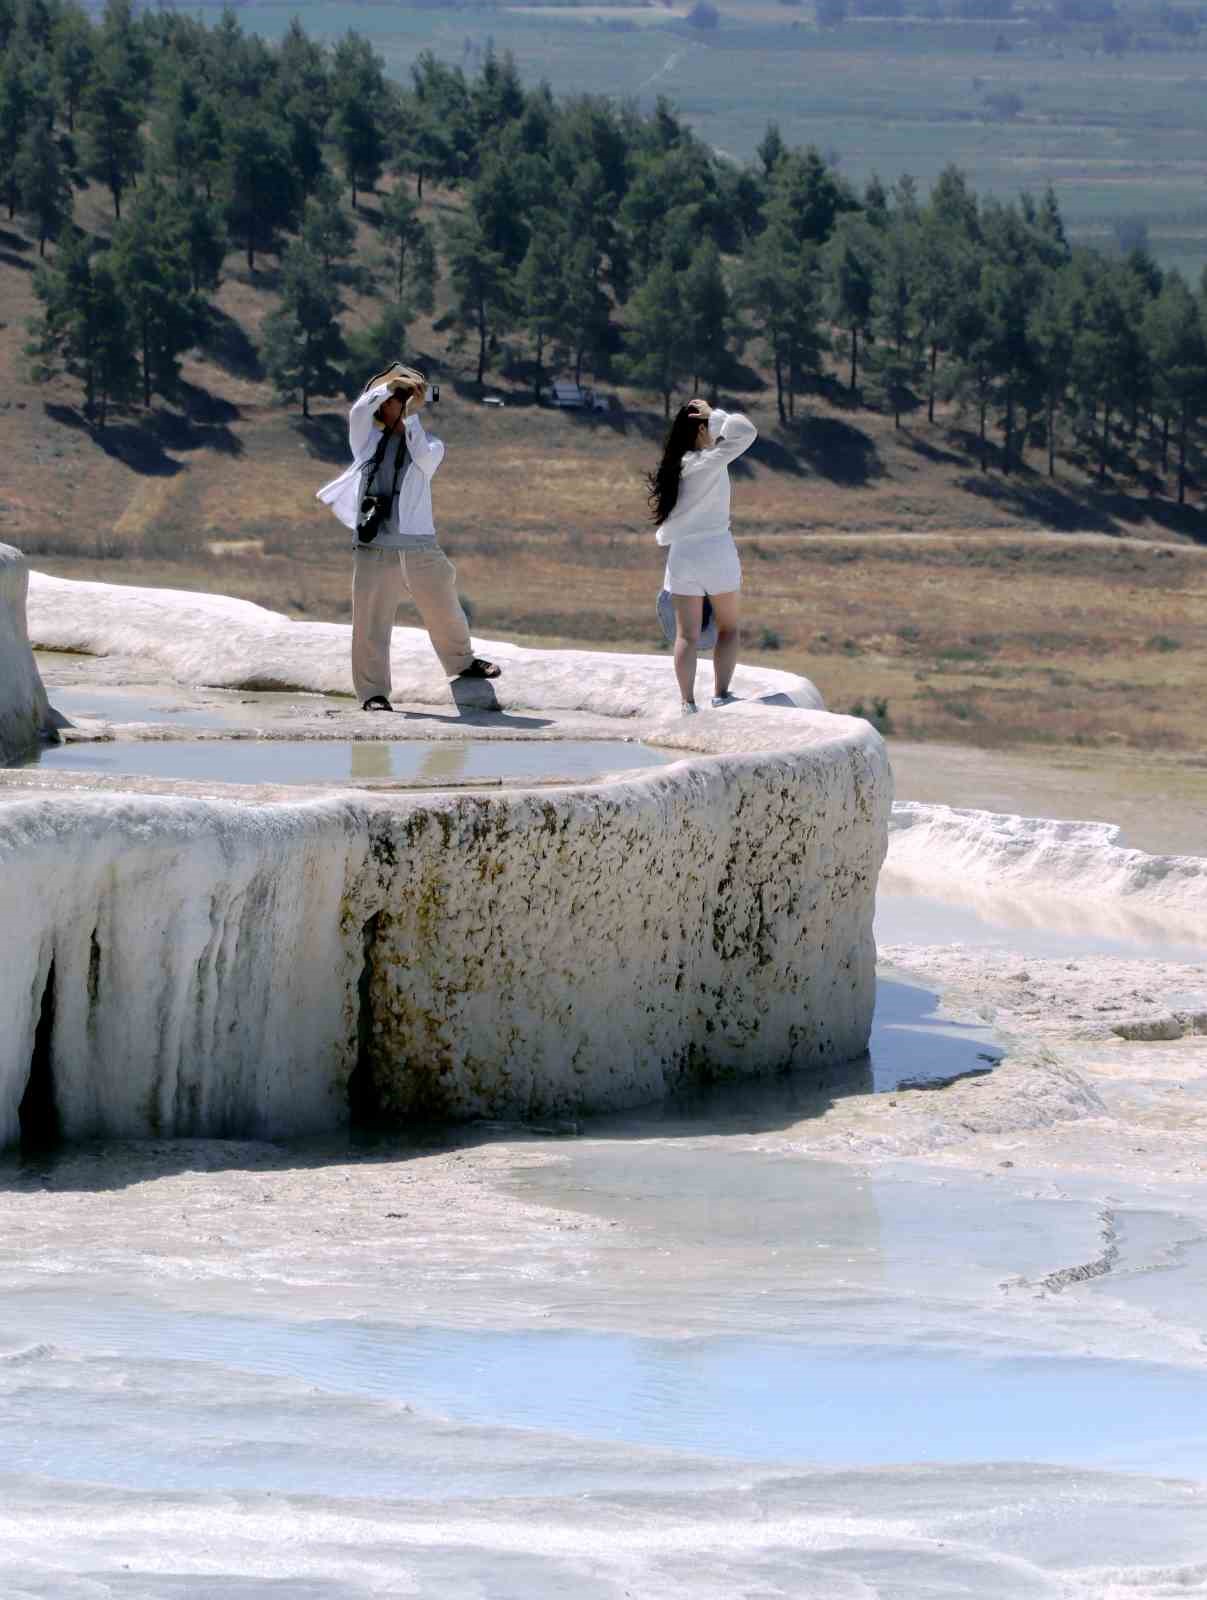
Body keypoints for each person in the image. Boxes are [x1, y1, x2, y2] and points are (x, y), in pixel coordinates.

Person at [317, 362, 500, 711]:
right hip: (375, 542)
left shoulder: (432, 445)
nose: (394, 402)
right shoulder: (366, 440)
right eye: (390, 398)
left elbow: (421, 457)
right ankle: (373, 693)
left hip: (418, 541)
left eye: (400, 397)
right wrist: (389, 387)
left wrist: (411, 414)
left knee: (444, 603)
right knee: (371, 617)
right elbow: (358, 410)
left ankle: (461, 663)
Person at [648, 398, 757, 714]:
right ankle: (721, 694)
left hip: (682, 554)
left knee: (686, 635)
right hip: (716, 550)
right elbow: (746, 432)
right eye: (707, 426)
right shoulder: (711, 459)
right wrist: (717, 416)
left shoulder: (674, 467)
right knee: (728, 627)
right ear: (699, 427)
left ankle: (687, 702)